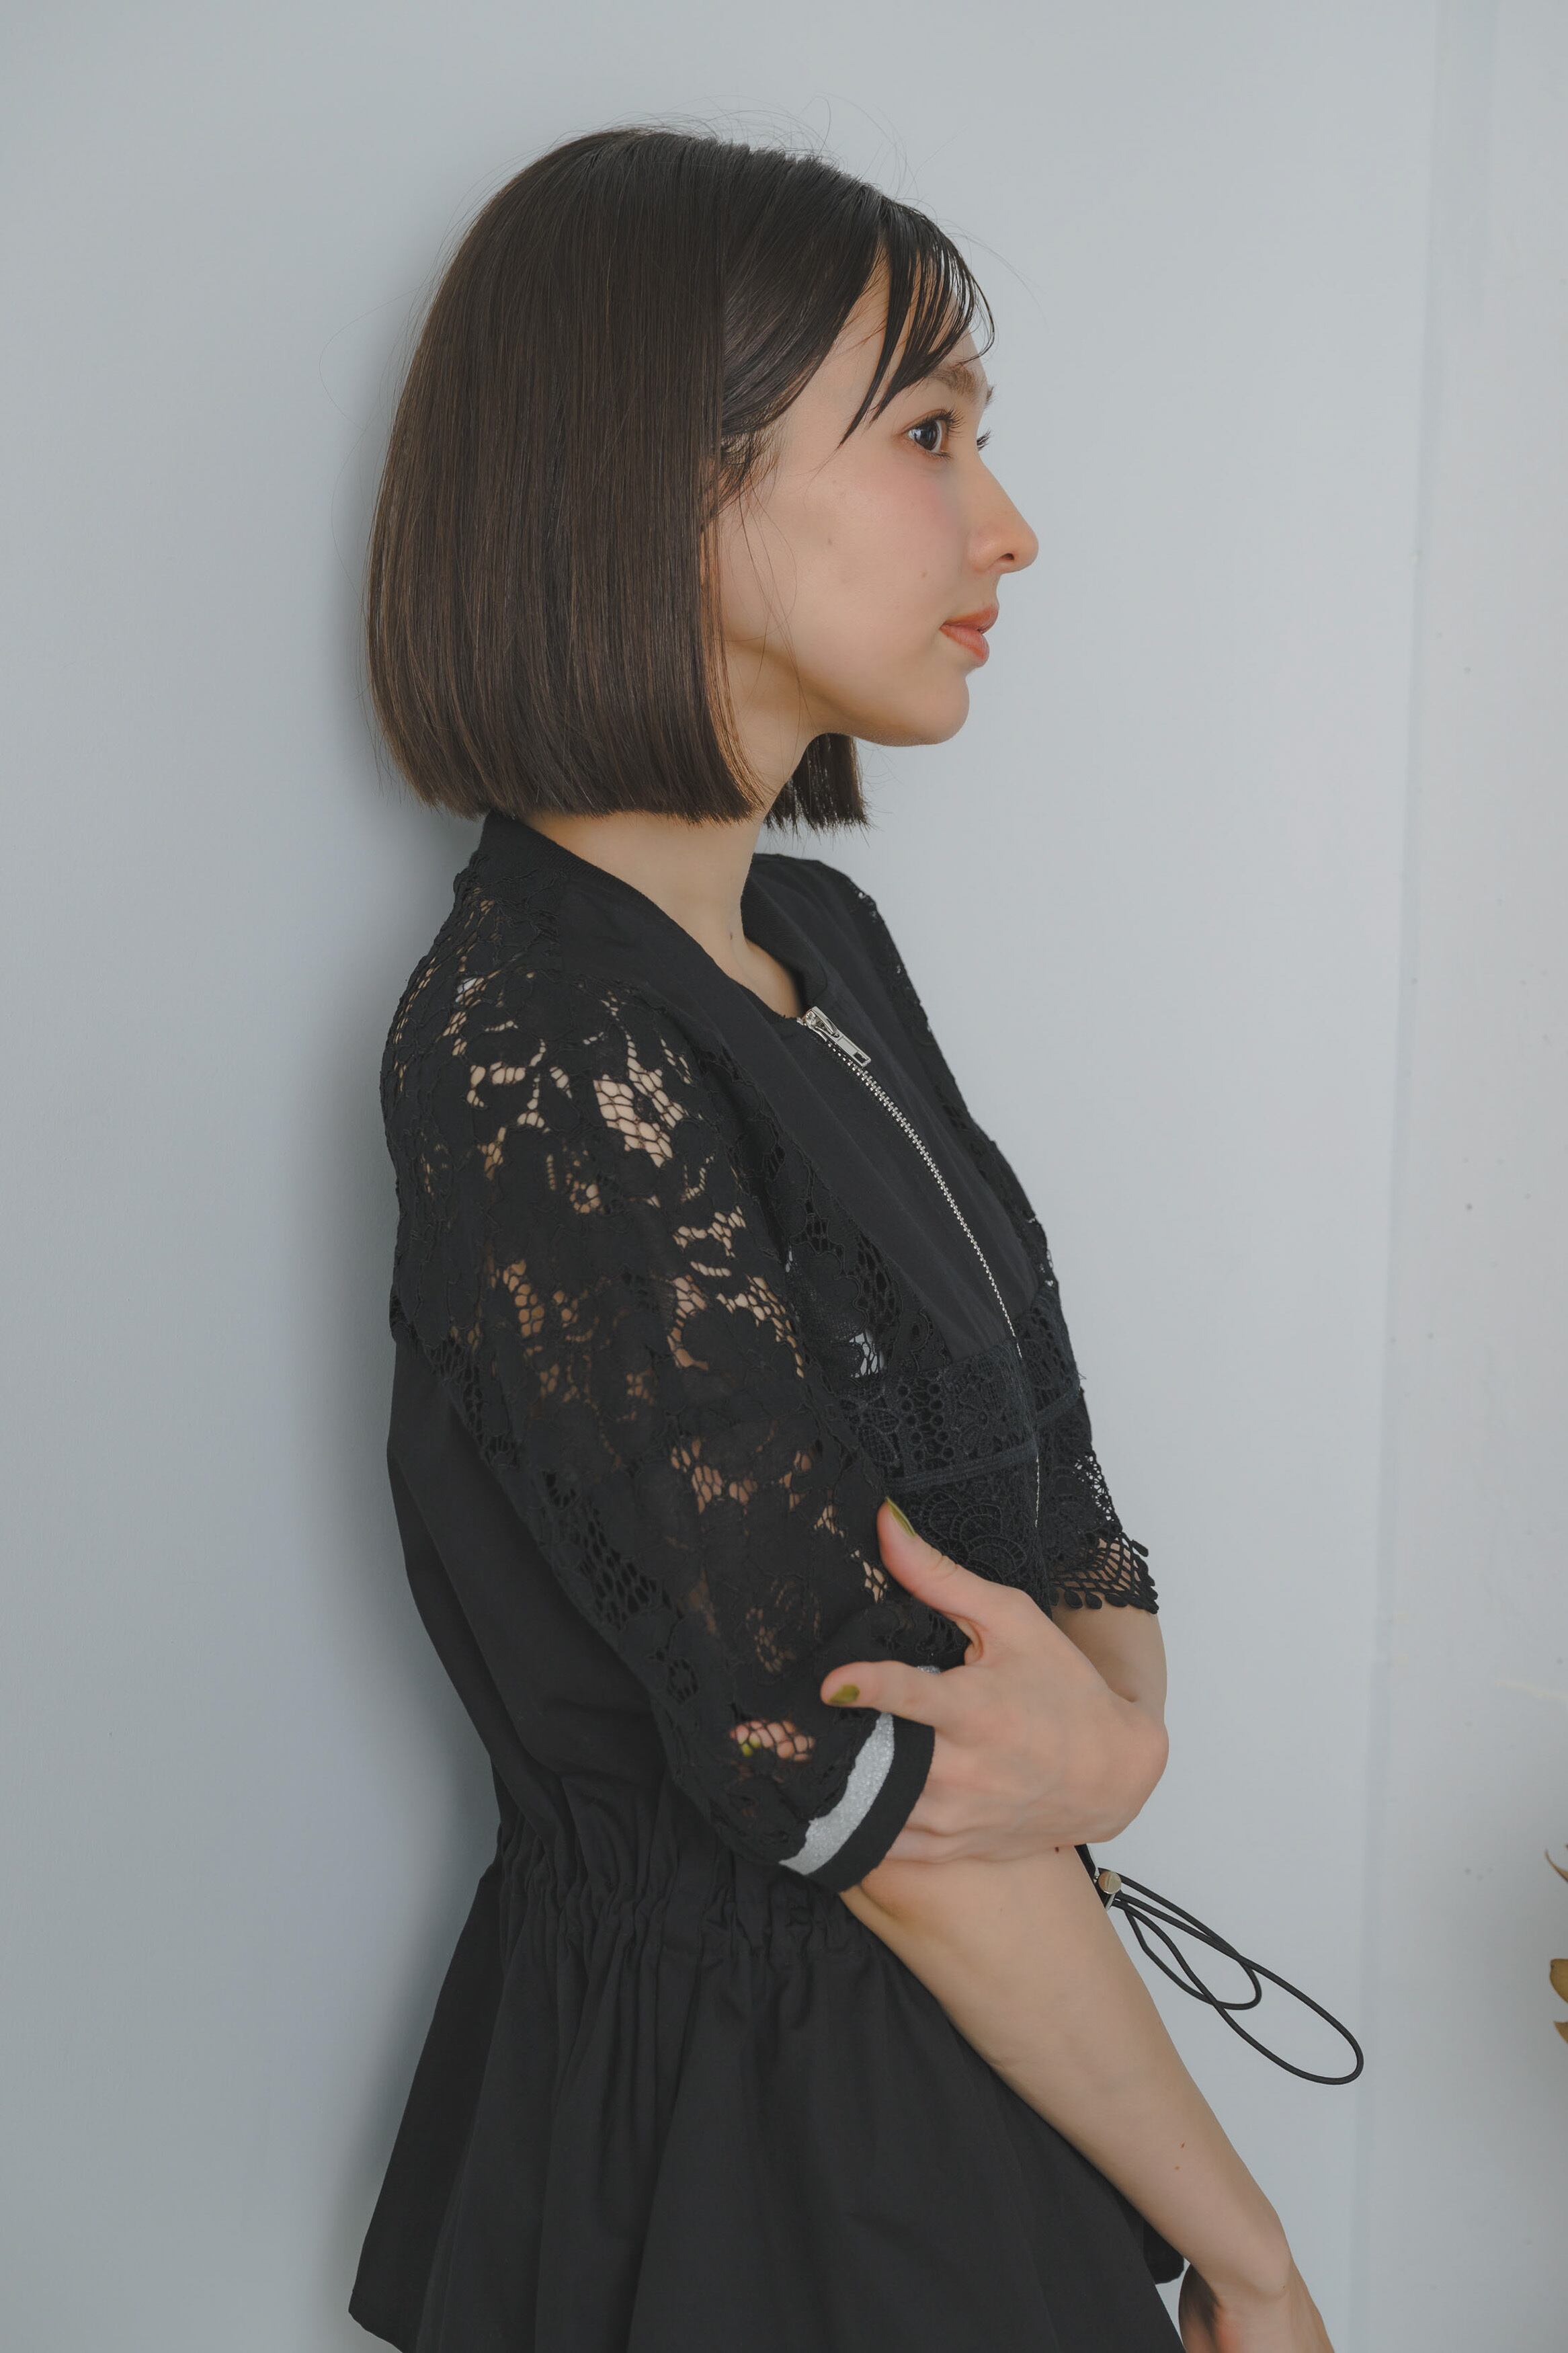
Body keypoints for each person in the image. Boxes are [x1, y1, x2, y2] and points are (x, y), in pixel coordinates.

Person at [347, 122, 1334, 2353]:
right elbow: (875, 1797)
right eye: (926, 435)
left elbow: (1043, 1462)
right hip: (755, 2174)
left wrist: (1109, 1740)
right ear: (664, 479)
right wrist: (1255, 2253)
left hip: (968, 2088)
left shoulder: (820, 942)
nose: (1008, 524)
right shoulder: (537, 1043)